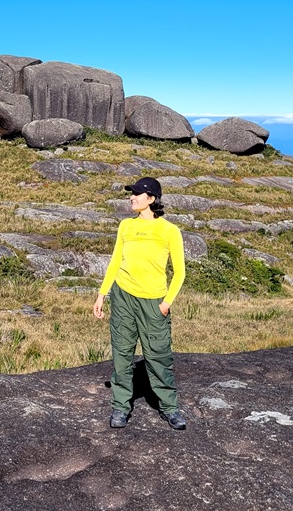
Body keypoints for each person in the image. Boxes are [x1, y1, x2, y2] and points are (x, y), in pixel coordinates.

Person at [92, 176, 187, 430]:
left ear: (152, 199)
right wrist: (102, 294)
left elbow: (180, 273)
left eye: (137, 193)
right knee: (122, 355)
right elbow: (115, 262)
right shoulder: (126, 227)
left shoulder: (169, 231)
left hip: (154, 301)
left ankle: (170, 408)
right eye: (131, 193)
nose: (131, 197)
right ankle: (121, 407)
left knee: (159, 356)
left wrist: (166, 303)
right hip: (123, 297)